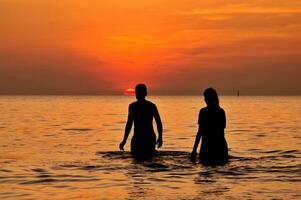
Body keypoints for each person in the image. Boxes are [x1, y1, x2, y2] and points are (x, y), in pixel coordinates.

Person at [119, 84, 163, 160]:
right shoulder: (151, 106)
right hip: (145, 138)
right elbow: (159, 123)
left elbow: (129, 124)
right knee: (149, 160)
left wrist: (124, 140)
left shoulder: (133, 106)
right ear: (146, 93)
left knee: (136, 161)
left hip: (141, 138)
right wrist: (160, 137)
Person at [191, 88, 228, 165]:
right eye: (205, 98)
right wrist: (194, 149)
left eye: (206, 98)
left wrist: (194, 149)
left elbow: (200, 132)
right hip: (216, 146)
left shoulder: (205, 112)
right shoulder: (220, 111)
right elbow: (221, 133)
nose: (205, 100)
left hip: (209, 147)